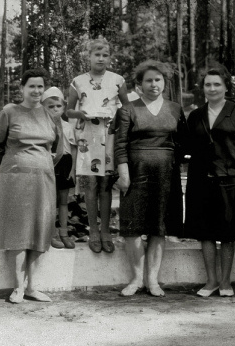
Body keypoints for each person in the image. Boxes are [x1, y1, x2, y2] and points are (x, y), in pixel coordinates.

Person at [0, 70, 63, 303]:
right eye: (31, 86)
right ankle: (18, 288)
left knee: (39, 229)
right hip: (15, 180)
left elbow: (59, 149)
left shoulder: (50, 115)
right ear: (22, 88)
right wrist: (13, 165)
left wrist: (42, 164)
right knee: (17, 230)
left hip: (43, 179)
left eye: (40, 87)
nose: (36, 91)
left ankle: (32, 286)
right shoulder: (9, 112)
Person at [115, 60, 187, 297]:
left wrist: (170, 165)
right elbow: (120, 145)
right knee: (133, 227)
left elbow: (181, 144)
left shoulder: (175, 109)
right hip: (135, 172)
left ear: (164, 83)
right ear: (139, 84)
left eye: (158, 80)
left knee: (159, 226)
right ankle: (136, 279)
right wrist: (123, 173)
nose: (153, 84)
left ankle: (153, 280)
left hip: (166, 174)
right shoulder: (127, 110)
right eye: (148, 80)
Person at [184, 67, 235, 298]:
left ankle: (226, 282)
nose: (212, 89)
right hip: (200, 180)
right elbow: (188, 146)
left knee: (227, 232)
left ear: (226, 86)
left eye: (217, 84)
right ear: (203, 88)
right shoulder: (196, 116)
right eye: (208, 85)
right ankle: (211, 281)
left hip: (230, 179)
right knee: (205, 232)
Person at [66, 38, 129, 254]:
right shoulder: (78, 81)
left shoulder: (118, 80)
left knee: (105, 185)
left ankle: (105, 231)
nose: (101, 59)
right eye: (97, 55)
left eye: (105, 55)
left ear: (110, 57)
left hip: (109, 136)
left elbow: (127, 109)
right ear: (89, 57)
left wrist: (116, 120)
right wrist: (80, 114)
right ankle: (93, 230)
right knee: (90, 184)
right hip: (87, 137)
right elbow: (67, 112)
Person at [42, 87, 76, 249]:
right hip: (48, 164)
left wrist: (73, 169)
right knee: (49, 201)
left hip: (65, 163)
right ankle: (51, 233)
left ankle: (64, 233)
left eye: (58, 106)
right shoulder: (42, 127)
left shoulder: (68, 127)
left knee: (63, 201)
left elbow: (74, 148)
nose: (55, 109)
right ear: (43, 107)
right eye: (50, 106)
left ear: (63, 107)